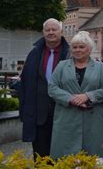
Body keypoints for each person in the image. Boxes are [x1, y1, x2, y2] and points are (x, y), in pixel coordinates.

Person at [48, 31, 103, 159]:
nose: (78, 50)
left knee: (93, 157)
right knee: (66, 157)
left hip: (93, 119)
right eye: (75, 47)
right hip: (67, 117)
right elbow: (52, 88)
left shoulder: (100, 67)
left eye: (81, 47)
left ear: (89, 49)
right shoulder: (62, 66)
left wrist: (87, 96)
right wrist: (71, 98)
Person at [19, 18, 70, 160]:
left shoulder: (70, 54)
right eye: (48, 30)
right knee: (40, 157)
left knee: (63, 156)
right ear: (43, 32)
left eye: (54, 29)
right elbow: (24, 84)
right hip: (39, 115)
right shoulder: (34, 54)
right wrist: (24, 111)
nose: (51, 32)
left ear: (61, 31)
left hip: (63, 113)